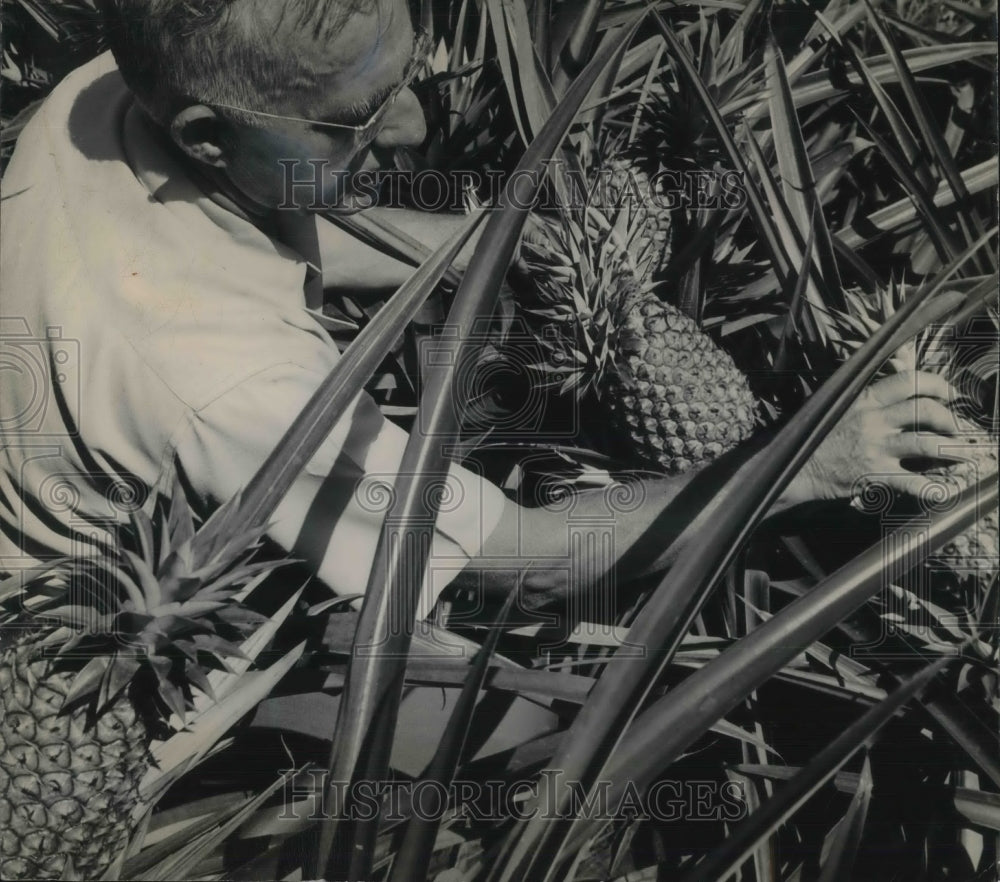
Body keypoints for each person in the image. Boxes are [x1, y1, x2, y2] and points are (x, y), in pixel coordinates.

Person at [0, 0, 965, 624]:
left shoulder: (119, 90)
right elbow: (524, 561)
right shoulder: (231, 384)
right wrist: (804, 461)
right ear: (204, 138)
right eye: (358, 121)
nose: (414, 128)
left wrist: (499, 240)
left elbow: (274, 216)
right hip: (99, 640)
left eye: (401, 80)